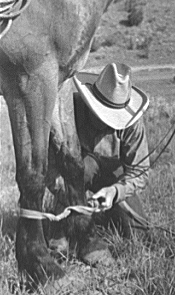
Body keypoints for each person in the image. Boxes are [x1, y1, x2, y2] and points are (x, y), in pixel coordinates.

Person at [49, 62, 151, 257]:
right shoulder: (70, 110)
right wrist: (64, 191)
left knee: (139, 235)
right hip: (76, 175)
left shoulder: (133, 123)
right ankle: (60, 232)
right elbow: (50, 163)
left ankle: (108, 215)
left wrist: (115, 192)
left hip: (115, 176)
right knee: (83, 167)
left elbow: (139, 171)